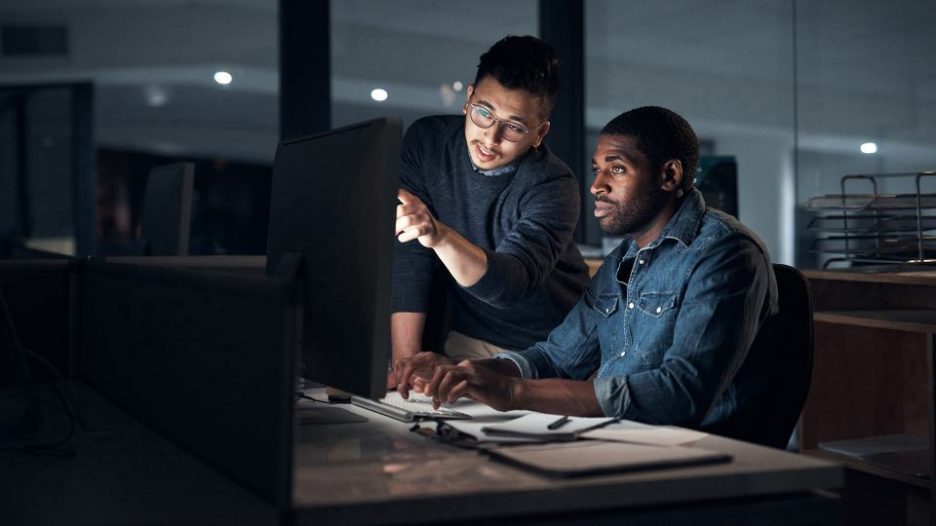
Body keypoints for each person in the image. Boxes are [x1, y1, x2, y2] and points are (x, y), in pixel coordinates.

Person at [396, 106, 778, 431]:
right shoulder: (623, 261)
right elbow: (556, 358)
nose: (596, 186)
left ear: (669, 176)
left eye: (616, 169)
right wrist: (467, 370)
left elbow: (680, 394)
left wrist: (512, 393)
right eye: (597, 169)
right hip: (621, 440)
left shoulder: (725, 254)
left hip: (701, 457)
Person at [391, 36, 589, 386]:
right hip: (466, 339)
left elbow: (508, 285)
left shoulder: (554, 185)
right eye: (484, 112)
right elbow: (410, 256)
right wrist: (405, 361)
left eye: (514, 127)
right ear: (468, 99)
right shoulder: (428, 143)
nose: (491, 138)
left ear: (539, 133)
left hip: (550, 349)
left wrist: (438, 234)